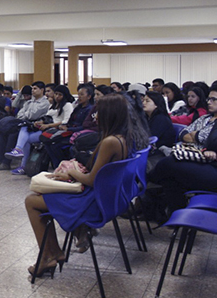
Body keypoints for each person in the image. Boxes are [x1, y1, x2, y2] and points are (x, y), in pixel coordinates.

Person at [24, 93, 149, 277]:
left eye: (98, 113)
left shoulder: (109, 142)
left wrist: (71, 173)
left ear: (109, 115)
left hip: (95, 203)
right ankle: (53, 252)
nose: (95, 117)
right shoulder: (124, 137)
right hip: (111, 198)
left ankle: (48, 256)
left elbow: (91, 179)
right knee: (41, 198)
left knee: (31, 201)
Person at [149, 85, 217, 216]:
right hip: (208, 161)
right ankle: (176, 217)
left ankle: (148, 181)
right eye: (208, 99)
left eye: (213, 99)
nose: (209, 102)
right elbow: (183, 133)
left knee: (170, 162)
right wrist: (197, 137)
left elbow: (210, 141)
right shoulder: (206, 118)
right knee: (170, 178)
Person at [6, 85, 74, 175]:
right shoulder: (52, 105)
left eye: (60, 94)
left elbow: (66, 121)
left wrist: (48, 125)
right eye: (56, 94)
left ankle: (20, 154)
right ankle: (20, 156)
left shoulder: (67, 105)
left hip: (55, 130)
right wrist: (40, 122)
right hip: (46, 129)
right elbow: (47, 117)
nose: (57, 96)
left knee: (25, 139)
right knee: (24, 127)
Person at [0, 81, 49, 171]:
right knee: (3, 133)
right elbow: (20, 114)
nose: (33, 91)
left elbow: (32, 115)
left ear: (42, 90)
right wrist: (27, 114)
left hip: (35, 127)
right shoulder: (29, 102)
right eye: (32, 89)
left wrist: (26, 115)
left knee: (14, 134)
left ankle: (9, 161)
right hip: (26, 125)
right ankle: (2, 160)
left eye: (35, 89)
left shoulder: (45, 103)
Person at [40, 84, 95, 168]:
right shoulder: (78, 107)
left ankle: (61, 166)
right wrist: (64, 126)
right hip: (69, 130)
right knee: (47, 141)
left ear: (89, 96)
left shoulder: (90, 109)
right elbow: (70, 120)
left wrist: (69, 128)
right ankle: (57, 165)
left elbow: (85, 126)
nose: (79, 97)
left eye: (82, 94)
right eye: (78, 94)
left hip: (78, 133)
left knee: (55, 144)